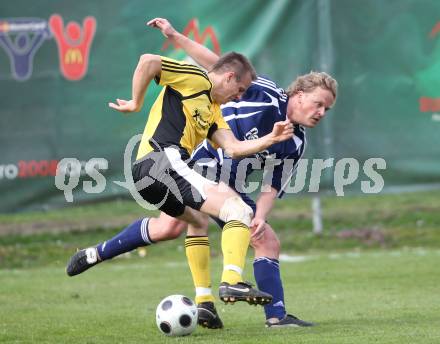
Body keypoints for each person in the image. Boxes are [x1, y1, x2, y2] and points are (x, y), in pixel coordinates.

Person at [66, 18, 337, 329]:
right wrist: (175, 37)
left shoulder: (292, 140)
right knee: (247, 224)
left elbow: (270, 183)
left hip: (192, 170)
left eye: (326, 110)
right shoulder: (264, 92)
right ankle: (262, 306)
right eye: (319, 104)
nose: (321, 113)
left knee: (182, 226)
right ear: (299, 94)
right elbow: (216, 67)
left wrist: (260, 213)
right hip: (192, 163)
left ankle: (196, 299)